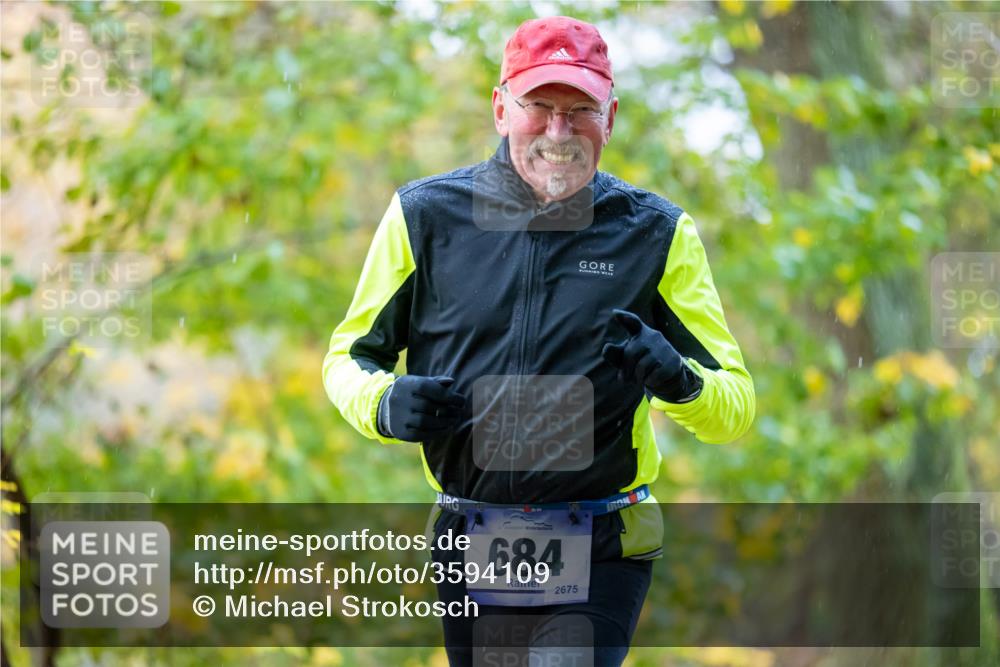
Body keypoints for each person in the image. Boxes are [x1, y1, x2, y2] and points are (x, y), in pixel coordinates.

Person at [323, 15, 755, 666]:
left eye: (580, 110)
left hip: (601, 536)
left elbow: (735, 405)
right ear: (502, 108)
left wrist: (681, 382)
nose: (559, 131)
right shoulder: (425, 216)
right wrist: (382, 404)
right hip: (471, 533)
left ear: (610, 118)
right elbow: (349, 358)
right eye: (540, 107)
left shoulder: (656, 233)